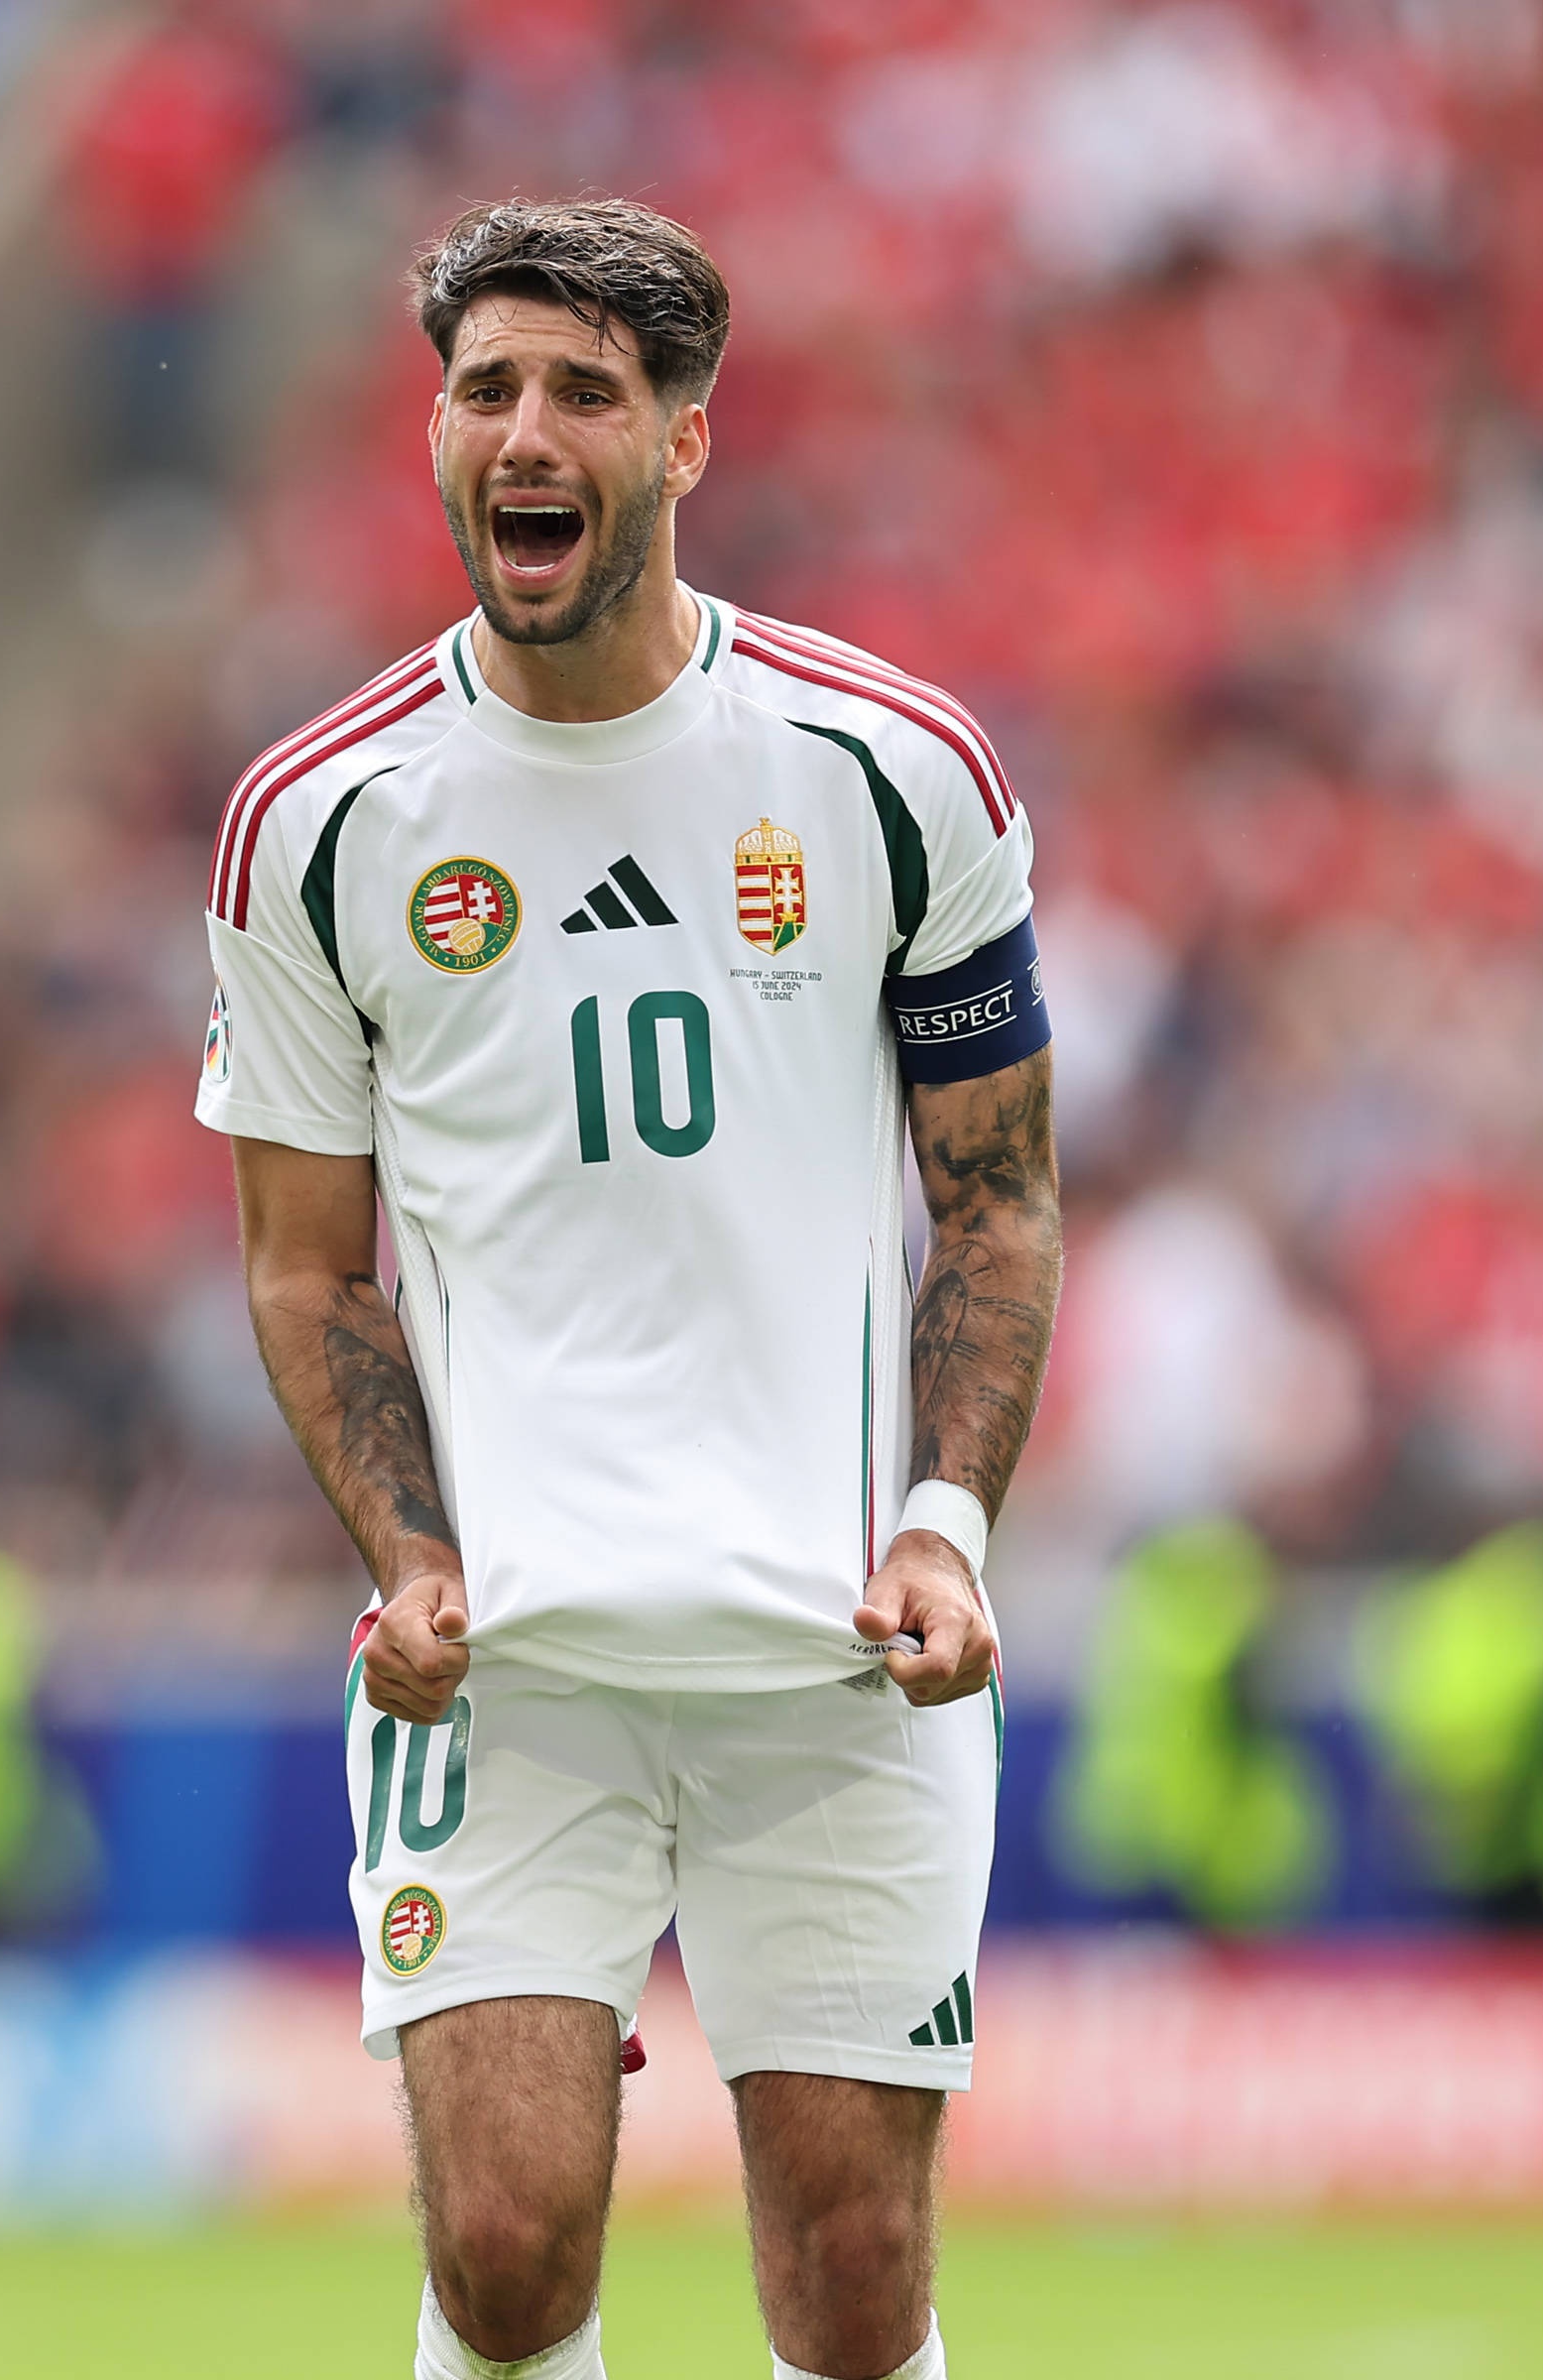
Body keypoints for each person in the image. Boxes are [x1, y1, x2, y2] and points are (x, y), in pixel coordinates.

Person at [195, 199, 1061, 2380]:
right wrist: (405, 1552)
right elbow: (304, 1267)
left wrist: (944, 1529)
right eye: (483, 386)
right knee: (502, 2253)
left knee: (852, 2289)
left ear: (684, 438)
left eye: (583, 391)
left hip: (833, 1653)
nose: (525, 431)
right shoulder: (320, 820)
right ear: (435, 431)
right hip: (513, 1661)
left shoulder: (889, 770)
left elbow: (997, 1201)